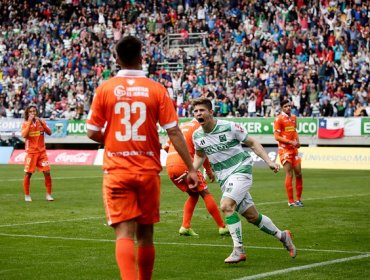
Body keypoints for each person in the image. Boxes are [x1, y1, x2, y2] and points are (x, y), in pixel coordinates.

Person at [86, 36, 198, 280]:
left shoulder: (105, 88)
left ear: (116, 59)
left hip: (117, 171)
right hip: (147, 171)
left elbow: (91, 131)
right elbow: (174, 131)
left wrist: (115, 139)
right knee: (145, 235)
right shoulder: (156, 89)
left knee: (124, 233)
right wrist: (191, 167)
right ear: (141, 57)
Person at [188, 97, 296, 264]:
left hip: (241, 169)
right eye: (195, 111)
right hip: (224, 177)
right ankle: (283, 236)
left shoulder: (229, 126)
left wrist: (269, 161)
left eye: (201, 110)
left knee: (226, 205)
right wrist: (191, 171)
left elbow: (252, 142)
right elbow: (200, 156)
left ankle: (238, 250)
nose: (198, 113)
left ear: (210, 111)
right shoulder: (197, 135)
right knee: (252, 216)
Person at [163, 119, 229, 237]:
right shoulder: (200, 128)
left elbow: (165, 147)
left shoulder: (182, 126)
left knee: (194, 194)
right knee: (205, 193)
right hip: (184, 165)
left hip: (170, 165)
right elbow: (202, 153)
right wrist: (209, 171)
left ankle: (185, 226)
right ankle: (222, 227)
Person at [274, 99, 303, 207]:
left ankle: (299, 199)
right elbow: (276, 137)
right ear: (282, 108)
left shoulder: (294, 117)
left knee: (299, 173)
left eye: (289, 106)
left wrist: (298, 142)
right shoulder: (278, 119)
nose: (288, 108)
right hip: (284, 150)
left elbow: (294, 131)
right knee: (289, 174)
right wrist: (290, 141)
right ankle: (290, 201)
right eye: (286, 106)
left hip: (295, 150)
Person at [21, 105, 54, 202]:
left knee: (47, 172)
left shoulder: (41, 122)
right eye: (30, 111)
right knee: (28, 174)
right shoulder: (25, 124)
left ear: (36, 112)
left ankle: (48, 195)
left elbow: (50, 132)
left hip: (42, 153)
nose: (33, 113)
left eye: (34, 111)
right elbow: (24, 135)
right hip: (31, 153)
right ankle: (27, 195)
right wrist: (29, 123)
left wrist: (43, 124)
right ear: (27, 113)